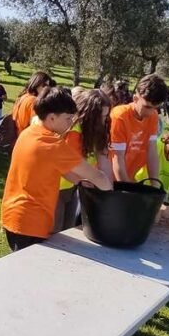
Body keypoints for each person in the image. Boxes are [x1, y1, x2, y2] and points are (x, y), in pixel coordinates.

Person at [1, 87, 112, 251]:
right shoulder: (52, 144)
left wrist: (81, 182)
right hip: (31, 223)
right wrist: (111, 198)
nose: (71, 123)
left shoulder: (30, 133)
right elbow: (98, 177)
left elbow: (65, 171)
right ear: (52, 117)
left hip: (15, 216)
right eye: (68, 118)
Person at [52, 89, 114, 233]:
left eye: (105, 116)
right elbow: (69, 167)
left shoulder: (98, 131)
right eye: (99, 117)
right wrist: (97, 181)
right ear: (88, 114)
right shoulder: (73, 132)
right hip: (56, 187)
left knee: (68, 229)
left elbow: (103, 161)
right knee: (54, 231)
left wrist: (110, 191)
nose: (103, 121)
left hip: (74, 186)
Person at [108, 74, 169, 184]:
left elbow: (152, 152)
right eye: (147, 107)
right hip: (106, 180)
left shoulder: (153, 116)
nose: (151, 112)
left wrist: (155, 185)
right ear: (135, 99)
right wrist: (127, 189)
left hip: (127, 178)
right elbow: (117, 158)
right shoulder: (120, 116)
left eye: (156, 108)